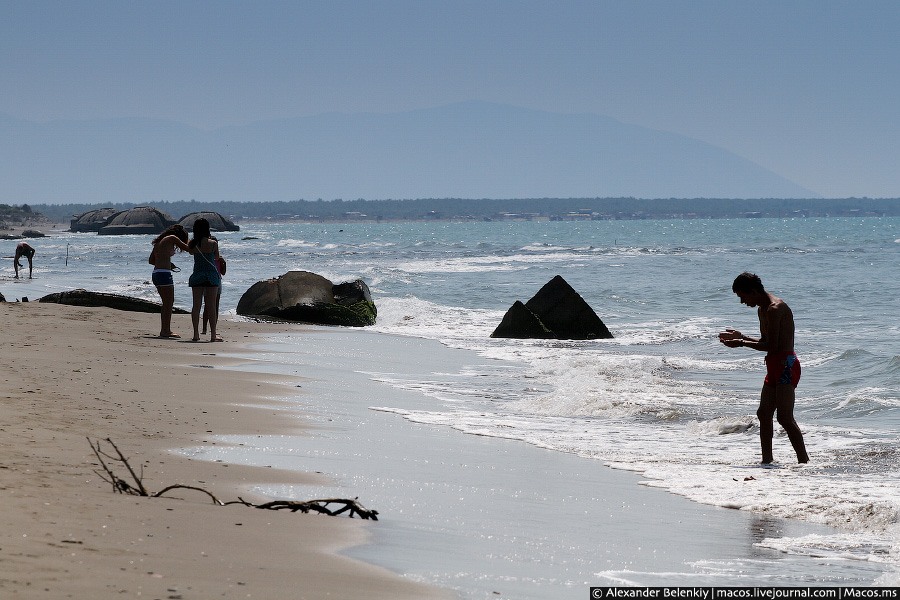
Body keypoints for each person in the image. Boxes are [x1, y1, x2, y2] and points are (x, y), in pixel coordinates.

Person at [719, 272, 809, 464]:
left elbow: (773, 347)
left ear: (753, 291)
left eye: (743, 296)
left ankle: (804, 462)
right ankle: (766, 461)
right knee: (763, 414)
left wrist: (741, 342)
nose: (742, 302)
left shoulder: (776, 309)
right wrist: (742, 336)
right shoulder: (762, 310)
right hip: (773, 365)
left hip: (786, 365)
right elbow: (765, 342)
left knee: (785, 418)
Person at [149, 225, 190, 338]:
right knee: (168, 303)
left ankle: (165, 329)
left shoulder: (159, 242)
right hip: (164, 274)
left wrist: (168, 264)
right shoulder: (172, 238)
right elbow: (188, 249)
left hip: (156, 273)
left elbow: (151, 260)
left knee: (166, 303)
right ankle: (165, 331)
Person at [187, 218, 222, 342]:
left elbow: (191, 252)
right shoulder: (213, 243)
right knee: (211, 306)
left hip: (197, 274)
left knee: (196, 306)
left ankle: (196, 334)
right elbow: (217, 257)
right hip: (211, 276)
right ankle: (213, 334)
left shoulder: (192, 244)